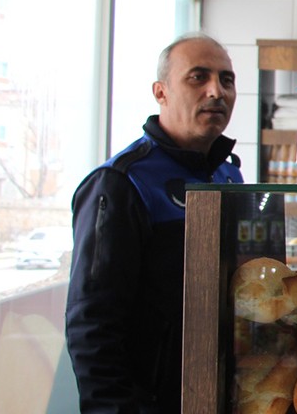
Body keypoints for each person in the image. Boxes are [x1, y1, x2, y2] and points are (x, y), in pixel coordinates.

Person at [66, 33, 243, 414]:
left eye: (226, 80)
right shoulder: (121, 182)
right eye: (198, 77)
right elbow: (92, 324)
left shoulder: (228, 176)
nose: (216, 91)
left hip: (214, 395)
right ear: (161, 92)